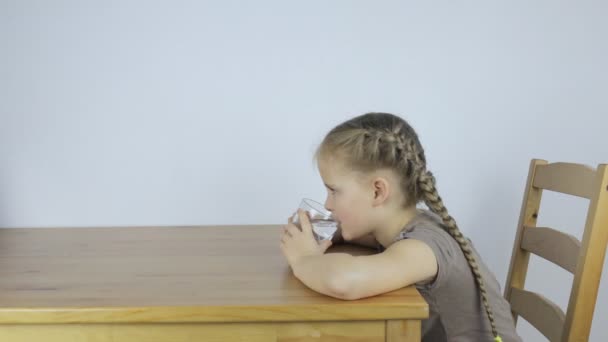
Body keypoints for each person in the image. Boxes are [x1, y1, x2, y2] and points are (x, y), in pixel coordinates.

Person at [279, 112, 522, 342]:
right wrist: (327, 230)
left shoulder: (424, 248)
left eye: (333, 191)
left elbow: (344, 282)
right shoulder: (405, 225)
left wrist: (304, 259)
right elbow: (367, 239)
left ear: (377, 191)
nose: (327, 203)